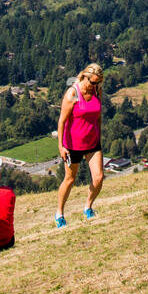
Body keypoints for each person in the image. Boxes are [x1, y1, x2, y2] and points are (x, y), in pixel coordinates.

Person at [55, 63, 105, 227]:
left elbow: (98, 115)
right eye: (92, 82)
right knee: (70, 179)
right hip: (73, 145)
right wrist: (61, 147)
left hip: (92, 142)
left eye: (98, 83)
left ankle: (88, 207)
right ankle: (59, 214)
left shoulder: (97, 92)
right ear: (85, 77)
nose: (94, 85)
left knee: (98, 178)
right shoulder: (72, 93)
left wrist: (98, 132)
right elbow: (62, 121)